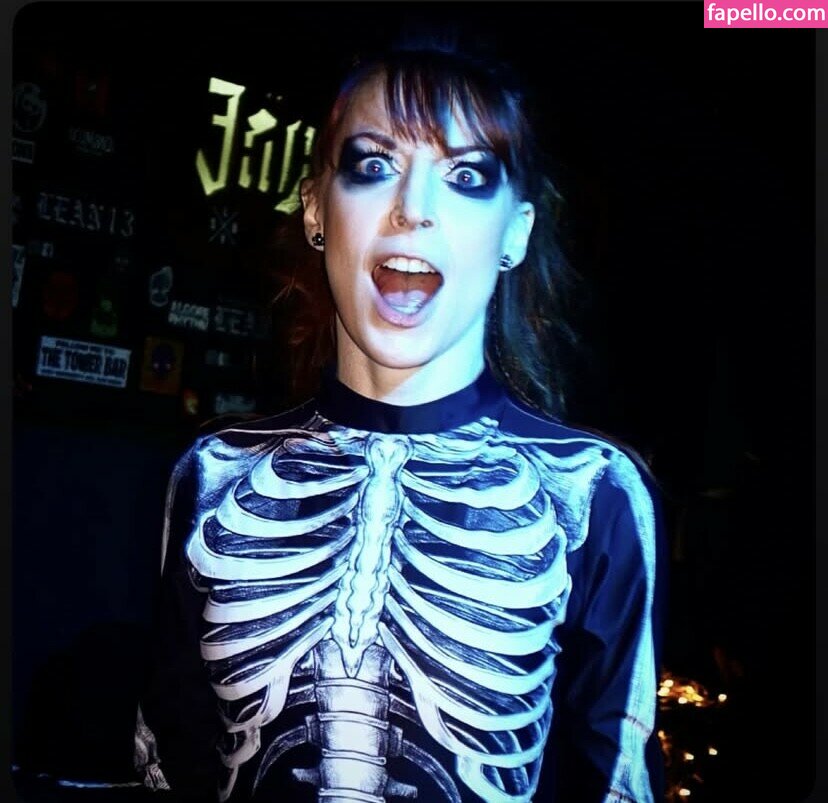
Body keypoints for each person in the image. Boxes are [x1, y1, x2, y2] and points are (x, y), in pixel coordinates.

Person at [135, 32, 667, 803]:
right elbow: (165, 757)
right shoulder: (214, 473)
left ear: (516, 232)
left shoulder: (594, 492)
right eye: (374, 165)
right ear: (316, 209)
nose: (413, 211)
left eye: (465, 176)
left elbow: (616, 779)